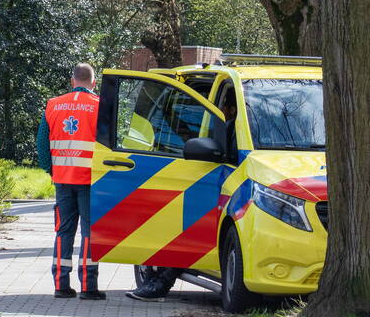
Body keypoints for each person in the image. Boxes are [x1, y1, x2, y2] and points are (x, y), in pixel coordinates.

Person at [127, 91, 240, 302]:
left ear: (232, 109)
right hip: (196, 182)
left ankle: (161, 283)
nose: (222, 109)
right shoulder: (226, 126)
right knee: (165, 228)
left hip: (213, 187)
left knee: (185, 233)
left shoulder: (235, 130)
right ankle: (154, 279)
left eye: (224, 106)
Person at [37, 63, 105, 300]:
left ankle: (60, 284)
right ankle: (88, 285)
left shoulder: (53, 105)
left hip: (62, 180)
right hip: (89, 180)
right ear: (93, 82)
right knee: (89, 232)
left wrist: (51, 171)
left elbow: (42, 145)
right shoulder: (100, 106)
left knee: (64, 230)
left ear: (72, 80)